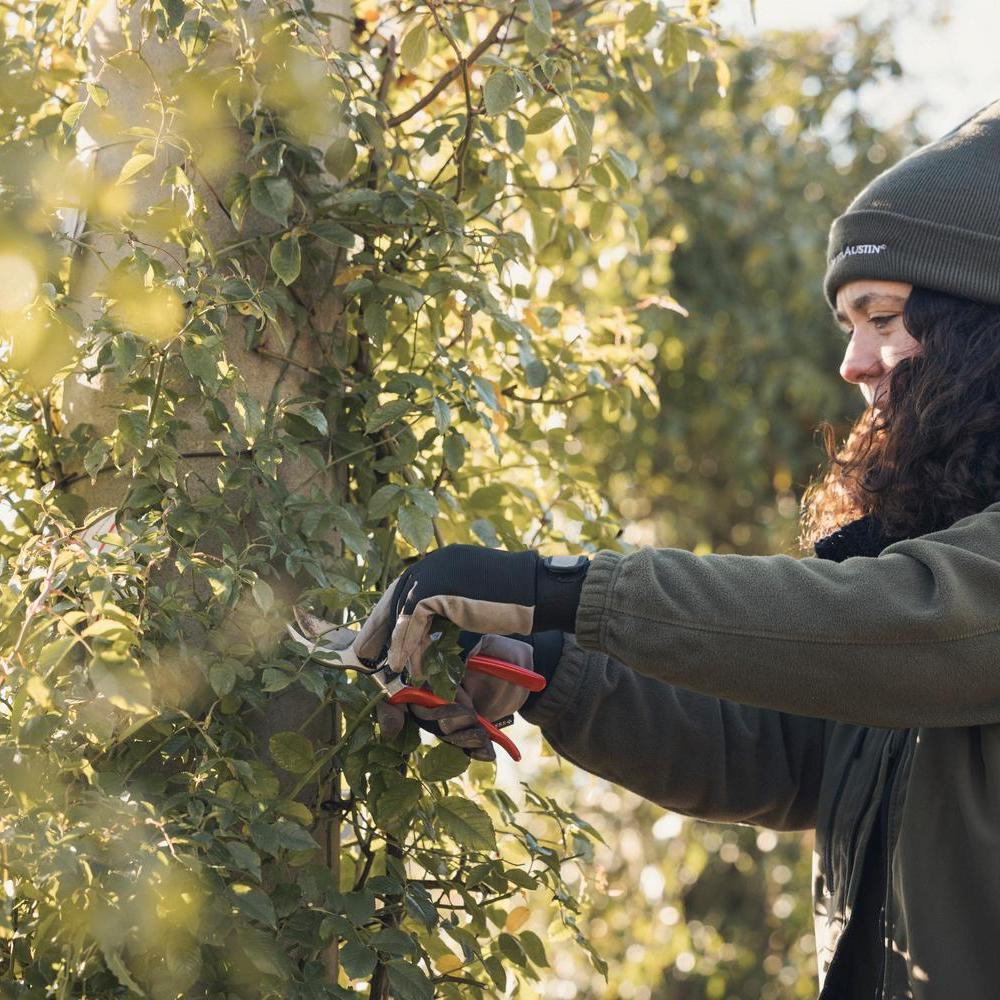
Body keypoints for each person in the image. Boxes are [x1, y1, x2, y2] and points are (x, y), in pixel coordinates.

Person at [357, 99, 1000, 998]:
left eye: (885, 317)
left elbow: (917, 623)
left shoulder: (928, 610)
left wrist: (556, 589)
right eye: (848, 325)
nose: (854, 362)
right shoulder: (916, 584)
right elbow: (777, 751)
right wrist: (548, 665)